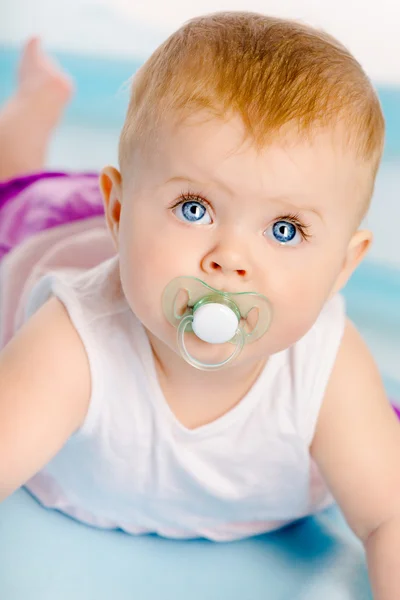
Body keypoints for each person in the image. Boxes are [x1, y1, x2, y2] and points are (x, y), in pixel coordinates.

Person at [0, 13, 399, 599]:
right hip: (51, 237)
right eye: (195, 208)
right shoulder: (72, 342)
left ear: (343, 264)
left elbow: (389, 518)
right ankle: (31, 110)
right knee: (16, 186)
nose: (230, 259)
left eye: (285, 230)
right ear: (120, 213)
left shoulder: (327, 369)